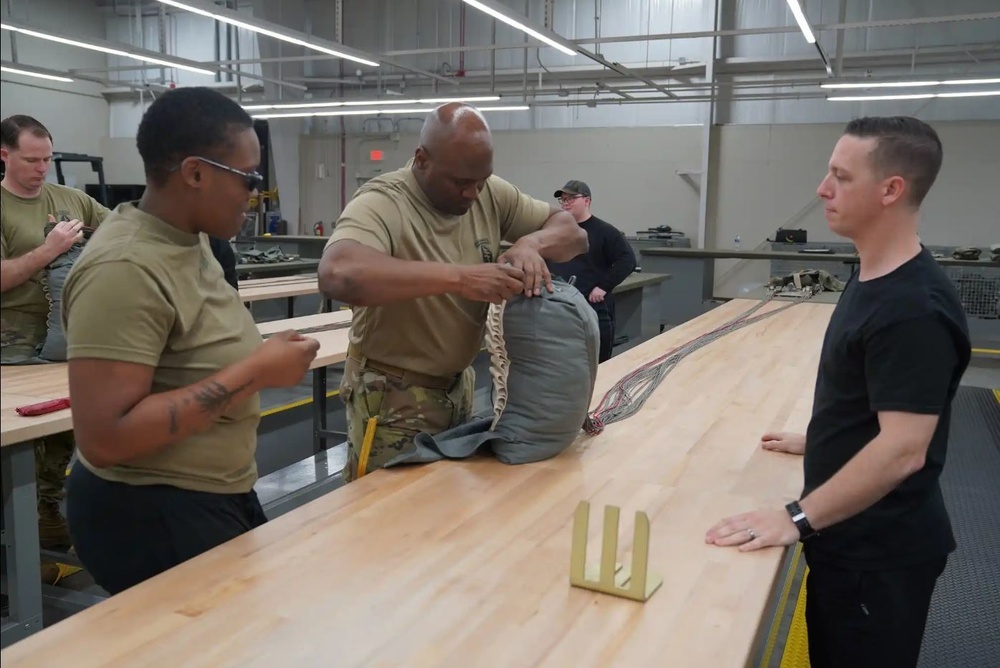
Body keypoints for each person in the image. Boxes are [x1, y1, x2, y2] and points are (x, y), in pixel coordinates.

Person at [705, 117, 970, 668]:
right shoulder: (874, 275)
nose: (822, 189)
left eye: (840, 177)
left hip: (879, 553)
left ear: (890, 190)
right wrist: (824, 437)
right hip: (850, 539)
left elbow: (902, 449)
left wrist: (794, 518)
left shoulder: (912, 307)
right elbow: (881, 404)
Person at [61, 87, 320, 595]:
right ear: (195, 173)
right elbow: (105, 437)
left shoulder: (191, 239)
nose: (255, 193)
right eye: (248, 178)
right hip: (151, 511)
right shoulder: (126, 267)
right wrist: (256, 372)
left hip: (207, 495)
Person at [320, 102, 588, 482]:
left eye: (481, 180)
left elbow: (573, 233)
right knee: (381, 523)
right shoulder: (383, 201)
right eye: (460, 182)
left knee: (443, 518)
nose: (472, 193)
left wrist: (532, 243)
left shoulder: (487, 192)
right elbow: (338, 274)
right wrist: (460, 279)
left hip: (457, 389)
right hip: (393, 399)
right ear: (422, 159)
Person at [1, 114, 111, 559]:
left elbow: (128, 233)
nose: (42, 168)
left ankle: (47, 511)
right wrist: (49, 251)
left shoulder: (71, 200)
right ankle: (15, 528)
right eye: (32, 159)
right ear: (3, 155)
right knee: (15, 439)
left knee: (63, 430)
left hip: (67, 337)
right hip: (10, 345)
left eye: (48, 159)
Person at [546, 180, 636, 362]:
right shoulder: (555, 230)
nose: (566, 203)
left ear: (587, 201)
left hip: (593, 307)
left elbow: (627, 260)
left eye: (571, 198)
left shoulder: (605, 232)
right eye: (563, 199)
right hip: (560, 306)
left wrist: (603, 287)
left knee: (597, 361)